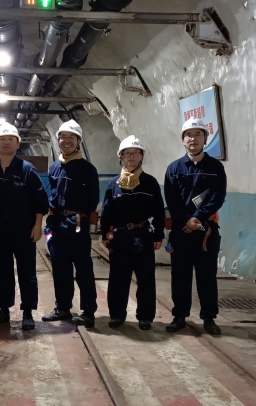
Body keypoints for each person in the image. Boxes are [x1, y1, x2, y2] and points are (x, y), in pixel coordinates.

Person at [164, 117, 227, 335]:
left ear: (205, 139)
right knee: (180, 275)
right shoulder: (174, 168)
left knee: (207, 275)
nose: (193, 139)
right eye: (189, 135)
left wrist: (197, 218)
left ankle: (209, 317)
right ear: (183, 140)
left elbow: (218, 197)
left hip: (206, 231)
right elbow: (171, 199)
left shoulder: (215, 167)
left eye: (198, 134)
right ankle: (179, 316)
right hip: (181, 231)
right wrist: (186, 220)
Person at [0, 123, 49, 331]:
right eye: (2, 139)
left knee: (27, 271)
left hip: (24, 230)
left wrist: (38, 226)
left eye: (11, 139)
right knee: (2, 272)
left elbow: (40, 200)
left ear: (17, 144)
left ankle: (28, 311)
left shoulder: (27, 169)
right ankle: (3, 309)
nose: (6, 143)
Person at [100, 135, 165, 330]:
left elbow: (159, 211)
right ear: (121, 157)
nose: (131, 157)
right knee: (118, 279)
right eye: (127, 153)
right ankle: (117, 315)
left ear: (141, 156)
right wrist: (105, 233)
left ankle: (145, 316)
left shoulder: (150, 183)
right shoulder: (114, 184)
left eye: (136, 153)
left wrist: (158, 235)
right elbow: (107, 211)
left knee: (145, 279)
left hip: (142, 236)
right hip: (120, 237)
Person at [42, 119, 99, 328]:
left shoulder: (87, 169)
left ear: (78, 141)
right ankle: (63, 307)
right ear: (58, 140)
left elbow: (93, 199)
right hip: (58, 224)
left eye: (71, 137)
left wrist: (80, 215)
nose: (66, 141)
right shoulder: (55, 167)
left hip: (77, 223)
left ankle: (88, 311)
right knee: (60, 267)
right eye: (63, 137)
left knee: (83, 268)